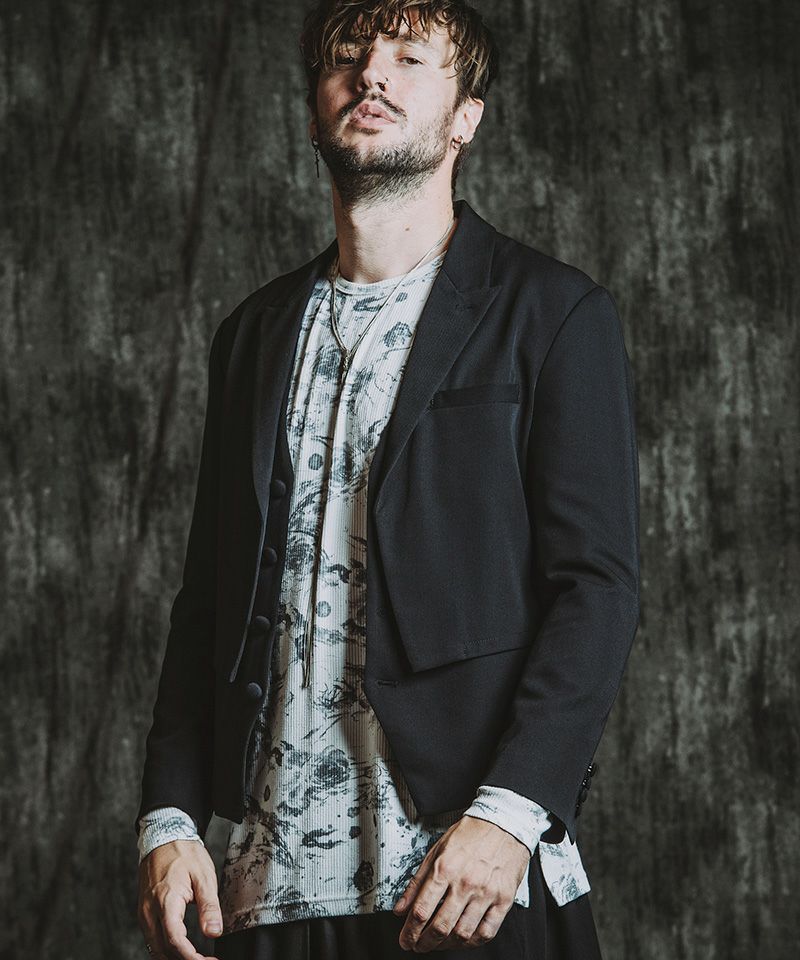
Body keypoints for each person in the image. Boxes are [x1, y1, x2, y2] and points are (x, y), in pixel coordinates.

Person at [135, 2, 641, 958]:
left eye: (409, 57)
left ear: (465, 118)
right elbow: (206, 600)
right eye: (348, 56)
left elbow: (597, 590)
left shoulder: (553, 313)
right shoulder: (251, 335)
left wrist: (513, 812)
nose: (371, 73)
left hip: (464, 875)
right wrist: (168, 816)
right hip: (264, 890)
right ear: (314, 108)